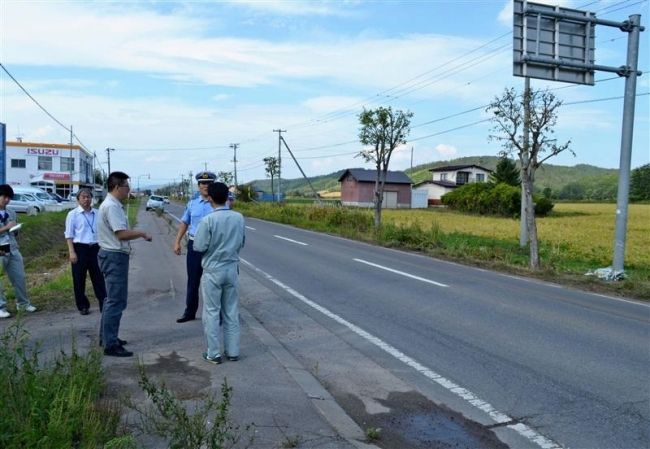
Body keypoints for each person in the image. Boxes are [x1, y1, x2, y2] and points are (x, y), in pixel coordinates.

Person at [97, 172, 152, 357]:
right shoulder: (111, 206)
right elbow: (121, 234)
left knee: (111, 300)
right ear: (117, 187)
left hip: (111, 255)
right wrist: (142, 233)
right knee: (116, 301)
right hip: (114, 256)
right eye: (127, 186)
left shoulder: (112, 205)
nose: (129, 189)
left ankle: (107, 337)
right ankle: (110, 344)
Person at [193, 182, 245, 364]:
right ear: (227, 197)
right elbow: (242, 242)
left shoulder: (207, 220)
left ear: (210, 198)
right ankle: (233, 351)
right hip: (231, 268)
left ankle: (213, 353)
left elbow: (198, 246)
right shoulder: (239, 218)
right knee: (231, 311)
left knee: (212, 312)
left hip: (213, 269)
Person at [173, 171, 217, 323]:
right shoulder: (192, 203)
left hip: (213, 247)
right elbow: (185, 222)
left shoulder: (218, 203)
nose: (206, 186)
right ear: (198, 186)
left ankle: (218, 314)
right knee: (193, 280)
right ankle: (190, 312)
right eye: (203, 183)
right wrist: (177, 241)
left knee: (215, 281)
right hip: (194, 245)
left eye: (209, 183)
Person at [64, 188, 106, 315]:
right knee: (79, 279)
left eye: (88, 197)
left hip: (95, 248)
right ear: (78, 199)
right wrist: (72, 252)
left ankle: (103, 304)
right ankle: (82, 305)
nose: (86, 199)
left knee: (99, 278)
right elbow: (69, 235)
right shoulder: (73, 214)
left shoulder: (97, 213)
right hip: (79, 248)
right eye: (83, 197)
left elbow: (103, 230)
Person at [0, 184, 37, 319]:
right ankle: (1, 307)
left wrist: (15, 229)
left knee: (19, 277)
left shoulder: (11, 212)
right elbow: (6, 228)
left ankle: (23, 303)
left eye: (9, 198)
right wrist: (6, 228)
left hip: (13, 247)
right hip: (0, 248)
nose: (7, 200)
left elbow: (14, 230)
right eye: (4, 197)